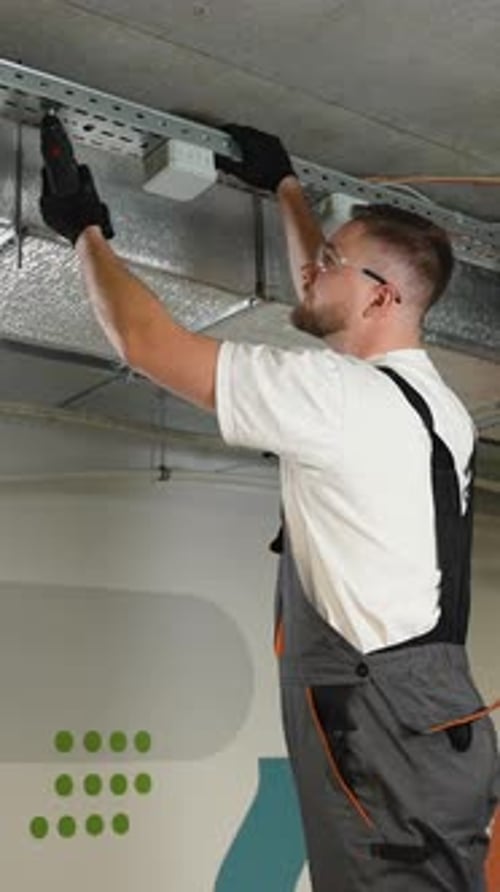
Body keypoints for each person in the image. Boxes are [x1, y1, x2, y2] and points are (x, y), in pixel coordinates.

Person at [40, 124, 499, 891]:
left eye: (331, 262)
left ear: (382, 295)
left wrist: (84, 229)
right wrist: (286, 189)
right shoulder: (434, 406)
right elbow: (333, 314)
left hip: (383, 727)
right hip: (432, 717)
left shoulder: (343, 400)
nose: (314, 269)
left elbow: (146, 341)